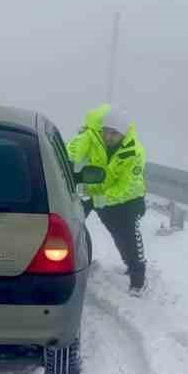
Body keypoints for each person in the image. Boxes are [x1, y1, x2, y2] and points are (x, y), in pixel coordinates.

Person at [67, 104, 147, 291]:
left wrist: (103, 199)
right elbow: (71, 153)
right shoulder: (92, 137)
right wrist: (80, 139)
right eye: (107, 131)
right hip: (93, 191)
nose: (109, 137)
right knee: (70, 223)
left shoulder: (134, 152)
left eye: (114, 133)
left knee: (126, 235)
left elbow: (127, 186)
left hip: (126, 199)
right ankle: (66, 265)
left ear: (124, 134)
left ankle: (138, 278)